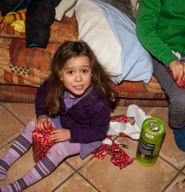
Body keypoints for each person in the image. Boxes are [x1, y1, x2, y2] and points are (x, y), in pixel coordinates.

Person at [0, 41, 117, 191]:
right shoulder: (55, 84)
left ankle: (18, 186)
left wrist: (70, 134)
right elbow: (42, 94)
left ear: (92, 72)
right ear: (60, 75)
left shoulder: (98, 102)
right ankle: (3, 164)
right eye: (70, 72)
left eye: (84, 71)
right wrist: (42, 115)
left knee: (58, 151)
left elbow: (99, 132)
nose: (78, 78)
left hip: (86, 137)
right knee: (32, 125)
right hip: (63, 121)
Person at [136, 0, 185, 153]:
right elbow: (145, 30)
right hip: (162, 51)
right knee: (183, 99)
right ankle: (179, 125)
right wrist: (171, 60)